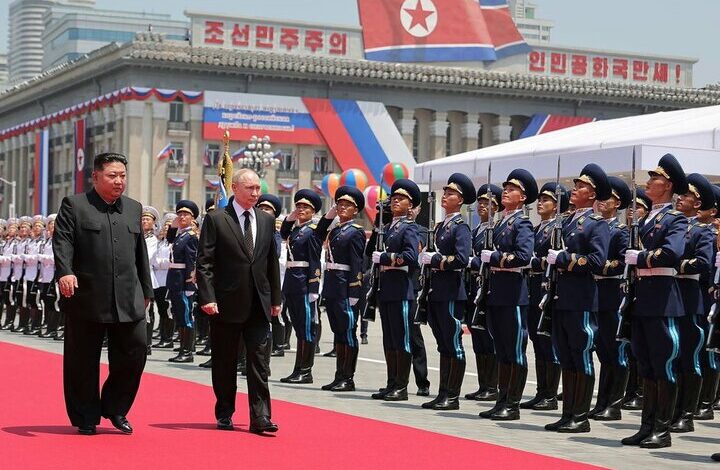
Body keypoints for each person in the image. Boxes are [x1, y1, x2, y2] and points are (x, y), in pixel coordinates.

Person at [53, 152, 154, 435]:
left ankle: (114, 407)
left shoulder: (134, 209)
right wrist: (65, 271)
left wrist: (146, 289)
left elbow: (140, 254)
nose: (119, 181)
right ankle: (86, 415)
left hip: (128, 296)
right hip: (87, 295)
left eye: (122, 176)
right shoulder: (74, 205)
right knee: (82, 359)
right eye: (112, 176)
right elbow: (62, 242)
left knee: (135, 351)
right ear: (95, 176)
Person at [196, 168, 281, 434]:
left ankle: (260, 417)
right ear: (234, 188)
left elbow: (271, 263)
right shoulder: (217, 219)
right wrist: (207, 297)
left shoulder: (266, 221)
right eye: (250, 188)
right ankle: (225, 411)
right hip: (225, 303)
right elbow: (205, 262)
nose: (256, 193)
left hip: (258, 303)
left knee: (259, 362)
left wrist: (275, 298)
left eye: (258, 189)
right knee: (225, 362)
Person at [621, 153, 688, 449]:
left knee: (663, 365)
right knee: (646, 365)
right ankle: (646, 425)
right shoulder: (646, 218)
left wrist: (642, 257)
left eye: (655, 178)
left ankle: (662, 428)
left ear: (668, 184)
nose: (649, 182)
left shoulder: (675, 219)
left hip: (662, 297)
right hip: (643, 296)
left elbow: (672, 253)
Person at [545, 163, 610, 433]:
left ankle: (580, 416)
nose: (575, 189)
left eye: (582, 186)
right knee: (566, 357)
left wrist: (563, 258)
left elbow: (597, 260)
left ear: (593, 194)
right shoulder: (569, 221)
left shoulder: (597, 224)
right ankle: (568, 412)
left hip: (581, 299)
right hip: (562, 298)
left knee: (580, 355)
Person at [478, 169, 536, 421]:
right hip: (496, 292)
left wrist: (496, 258)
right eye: (506, 188)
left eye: (512, 189)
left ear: (522, 198)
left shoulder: (522, 222)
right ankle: (501, 399)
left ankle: (512, 404)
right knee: (500, 350)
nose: (506, 192)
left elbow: (524, 256)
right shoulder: (500, 222)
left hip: (513, 293)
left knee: (514, 350)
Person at [419, 173, 474, 411]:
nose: (445, 196)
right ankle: (443, 392)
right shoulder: (441, 226)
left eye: (450, 193)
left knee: (453, 343)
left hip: (451, 291)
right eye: (445, 192)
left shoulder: (461, 227)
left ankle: (452, 395)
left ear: (460, 200)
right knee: (443, 344)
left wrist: (437, 259)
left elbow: (462, 259)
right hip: (437, 291)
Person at [668, 173, 714, 433]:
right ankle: (672, 411)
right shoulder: (671, 225)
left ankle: (687, 413)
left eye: (687, 196)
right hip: (670, 296)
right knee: (672, 358)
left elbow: (704, 262)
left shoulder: (702, 231)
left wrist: (674, 263)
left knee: (690, 358)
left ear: (698, 204)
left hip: (689, 298)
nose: (681, 199)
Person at [368, 179, 420, 401]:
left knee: (402, 339)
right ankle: (391, 383)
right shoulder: (388, 227)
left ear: (411, 205)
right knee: (389, 338)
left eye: (401, 199)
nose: (395, 201)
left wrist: (387, 257)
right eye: (394, 198)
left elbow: (411, 256)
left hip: (402, 289)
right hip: (387, 288)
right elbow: (370, 251)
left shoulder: (409, 227)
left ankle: (401, 386)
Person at [522, 182, 568, 411]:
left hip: (547, 289)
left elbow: (556, 259)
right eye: (539, 200)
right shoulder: (538, 228)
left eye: (546, 200)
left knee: (548, 342)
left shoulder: (559, 229)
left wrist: (535, 262)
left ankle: (550, 394)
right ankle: (542, 391)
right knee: (537, 342)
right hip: (533, 288)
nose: (540, 203)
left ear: (557, 205)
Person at [316, 186, 366, 392]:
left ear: (356, 210)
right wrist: (328, 217)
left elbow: (357, 263)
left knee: (348, 332)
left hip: (346, 286)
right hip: (333, 286)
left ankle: (348, 377)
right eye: (340, 204)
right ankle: (339, 376)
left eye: (347, 205)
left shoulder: (356, 232)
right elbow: (318, 234)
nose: (342, 207)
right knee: (338, 332)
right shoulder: (335, 229)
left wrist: (354, 291)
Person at [589, 177, 631, 421]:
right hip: (595, 293)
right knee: (602, 351)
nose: (601, 202)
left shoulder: (619, 231)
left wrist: (600, 267)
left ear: (617, 203)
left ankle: (614, 404)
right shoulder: (594, 226)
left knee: (615, 351)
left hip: (612, 293)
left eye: (608, 198)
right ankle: (602, 400)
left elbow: (623, 261)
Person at [279, 189, 324, 384]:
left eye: (305, 207)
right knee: (298, 328)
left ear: (313, 211)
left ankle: (306, 371)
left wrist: (314, 288)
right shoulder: (296, 230)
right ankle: (297, 369)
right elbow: (282, 232)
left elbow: (315, 261)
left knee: (306, 329)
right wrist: (291, 216)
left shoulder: (313, 233)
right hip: (292, 283)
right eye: (298, 206)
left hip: (305, 284)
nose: (301, 209)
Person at [466, 184, 503, 403]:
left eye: (487, 202)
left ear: (496, 206)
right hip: (474, 288)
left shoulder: (495, 230)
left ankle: (493, 385)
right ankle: (483, 384)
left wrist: (475, 261)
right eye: (480, 202)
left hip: (489, 288)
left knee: (489, 339)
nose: (481, 206)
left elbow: (494, 257)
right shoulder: (476, 231)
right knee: (478, 338)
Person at [621, 188, 652, 410]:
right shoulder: (629, 232)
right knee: (632, 346)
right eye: (630, 208)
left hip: (650, 291)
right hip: (631, 291)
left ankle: (639, 392)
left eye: (638, 208)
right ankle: (631, 390)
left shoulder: (647, 233)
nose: (632, 212)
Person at [166, 200, 200, 363]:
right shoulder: (180, 234)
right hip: (174, 278)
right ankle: (182, 348)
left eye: (185, 214)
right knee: (179, 314)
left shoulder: (191, 236)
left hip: (183, 280)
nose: (181, 217)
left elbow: (192, 260)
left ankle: (187, 351)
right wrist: (173, 225)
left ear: (193, 218)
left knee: (186, 315)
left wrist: (190, 283)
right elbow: (169, 240)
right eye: (179, 214)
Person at [153, 215, 175, 350]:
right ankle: (163, 335)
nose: (166, 229)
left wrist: (160, 263)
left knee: (168, 310)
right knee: (161, 309)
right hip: (158, 279)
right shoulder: (161, 242)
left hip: (168, 278)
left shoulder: (173, 243)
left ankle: (168, 338)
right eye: (165, 226)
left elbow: (171, 262)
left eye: (169, 227)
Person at [38, 214, 60, 338]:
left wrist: (43, 258)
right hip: (46, 275)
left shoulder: (59, 239)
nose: (52, 227)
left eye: (54, 224)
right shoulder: (47, 241)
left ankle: (54, 329)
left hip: (55, 275)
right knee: (48, 302)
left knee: (55, 302)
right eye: (50, 225)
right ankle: (49, 327)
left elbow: (57, 258)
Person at [142, 206, 160, 355]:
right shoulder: (138, 236)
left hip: (148, 276)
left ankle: (147, 343)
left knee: (148, 311)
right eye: (143, 219)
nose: (144, 221)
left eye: (148, 219)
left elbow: (148, 257)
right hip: (136, 276)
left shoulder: (153, 240)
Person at [0, 219, 18, 330]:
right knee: (3, 298)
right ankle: (5, 320)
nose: (11, 230)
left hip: (11, 273)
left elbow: (13, 257)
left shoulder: (16, 243)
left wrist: (2, 258)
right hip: (2, 273)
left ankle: (10, 321)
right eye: (10, 227)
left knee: (10, 298)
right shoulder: (5, 243)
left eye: (13, 228)